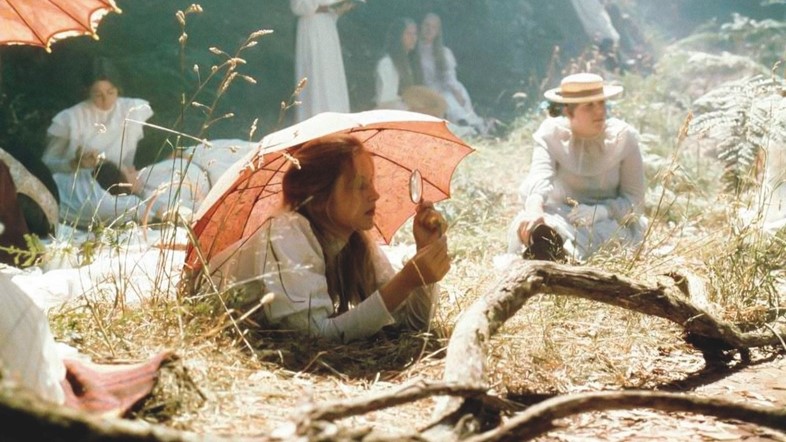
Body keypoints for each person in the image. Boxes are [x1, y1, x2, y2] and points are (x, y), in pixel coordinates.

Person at [209, 134, 450, 342]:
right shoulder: (287, 234)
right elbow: (314, 336)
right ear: (319, 196)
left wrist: (424, 254)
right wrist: (406, 280)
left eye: (372, 183)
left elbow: (411, 325)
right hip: (209, 306)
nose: (375, 195)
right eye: (359, 185)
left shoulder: (354, 241)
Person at [507, 73, 646, 262]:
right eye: (589, 106)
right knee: (538, 225)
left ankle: (564, 258)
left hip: (609, 219)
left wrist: (601, 211)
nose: (600, 111)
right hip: (562, 215)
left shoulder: (623, 138)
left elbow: (635, 201)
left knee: (604, 234)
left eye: (602, 103)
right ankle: (546, 246)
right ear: (569, 111)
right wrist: (534, 210)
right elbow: (540, 177)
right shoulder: (551, 134)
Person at [43, 57, 152, 210]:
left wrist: (128, 173)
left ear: (118, 89)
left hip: (123, 182)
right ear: (87, 91)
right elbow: (46, 165)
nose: (106, 99)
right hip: (82, 186)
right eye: (98, 94)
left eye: (110, 92)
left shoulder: (132, 108)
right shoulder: (71, 118)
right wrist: (75, 163)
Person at [416, 13, 487, 134]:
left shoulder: (443, 53)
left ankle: (471, 126)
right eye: (426, 25)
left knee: (450, 99)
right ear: (420, 27)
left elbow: (449, 78)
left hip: (448, 89)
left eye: (433, 27)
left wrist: (457, 92)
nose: (429, 29)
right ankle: (464, 128)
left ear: (438, 31)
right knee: (443, 101)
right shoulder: (414, 51)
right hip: (426, 91)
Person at [290, 0, 357, 123]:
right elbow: (299, 6)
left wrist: (339, 9)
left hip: (327, 25)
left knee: (332, 77)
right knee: (316, 76)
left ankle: (336, 121)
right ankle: (316, 121)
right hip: (312, 27)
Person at [375, 17, 446, 118]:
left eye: (415, 34)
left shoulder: (411, 63)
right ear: (398, 37)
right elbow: (386, 102)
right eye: (408, 34)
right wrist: (416, 111)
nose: (413, 38)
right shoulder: (387, 63)